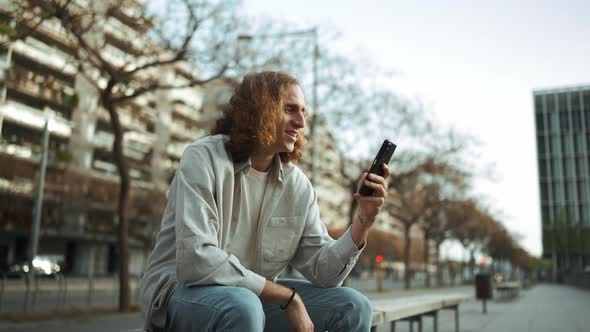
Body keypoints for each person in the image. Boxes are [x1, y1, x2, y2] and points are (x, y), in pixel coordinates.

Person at [139, 71, 391, 332]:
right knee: (242, 305)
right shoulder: (203, 158)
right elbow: (197, 259)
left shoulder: (298, 185)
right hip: (181, 294)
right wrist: (287, 297)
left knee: (353, 305)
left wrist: (364, 220)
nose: (302, 122)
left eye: (303, 111)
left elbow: (323, 272)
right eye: (290, 110)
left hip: (254, 299)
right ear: (260, 111)